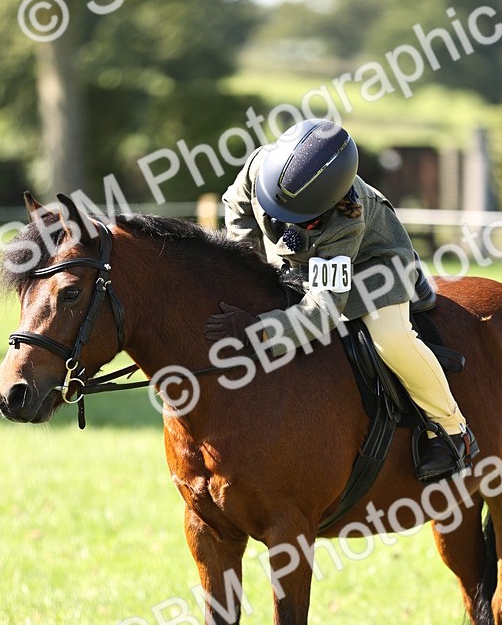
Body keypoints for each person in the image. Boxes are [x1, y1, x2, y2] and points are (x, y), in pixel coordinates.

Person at [204, 118, 478, 480]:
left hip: (373, 268)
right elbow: (237, 210)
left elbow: (323, 310)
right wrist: (245, 268)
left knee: (390, 340)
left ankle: (452, 429)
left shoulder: (346, 221)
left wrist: (260, 330)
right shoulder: (259, 167)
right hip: (295, 261)